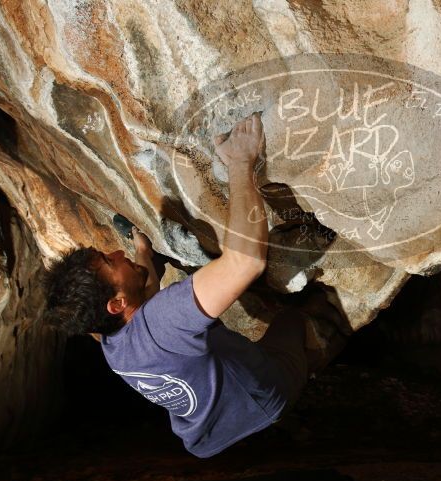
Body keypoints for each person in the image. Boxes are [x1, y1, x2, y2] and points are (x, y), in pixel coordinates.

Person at [44, 113, 319, 458]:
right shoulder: (163, 320)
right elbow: (245, 261)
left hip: (209, 438)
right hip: (264, 400)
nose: (116, 252)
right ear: (115, 304)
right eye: (110, 262)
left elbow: (142, 297)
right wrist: (240, 162)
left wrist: (141, 250)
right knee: (294, 320)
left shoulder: (110, 341)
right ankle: (310, 376)